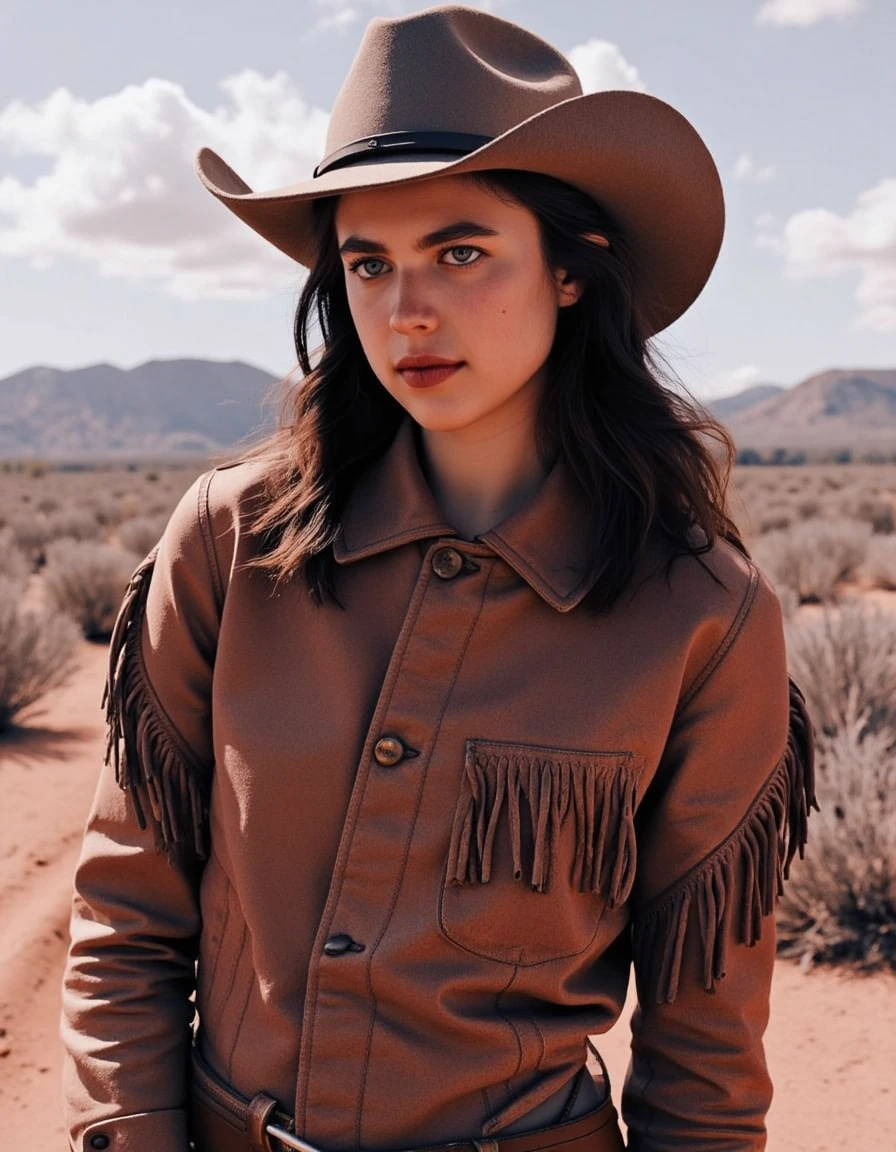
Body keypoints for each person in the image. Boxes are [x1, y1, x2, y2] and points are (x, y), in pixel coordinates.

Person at [61, 6, 816, 1152]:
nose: (405, 309)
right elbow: (127, 915)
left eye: (460, 252)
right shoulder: (229, 540)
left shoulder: (703, 618)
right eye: (368, 264)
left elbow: (704, 1045)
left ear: (570, 271)